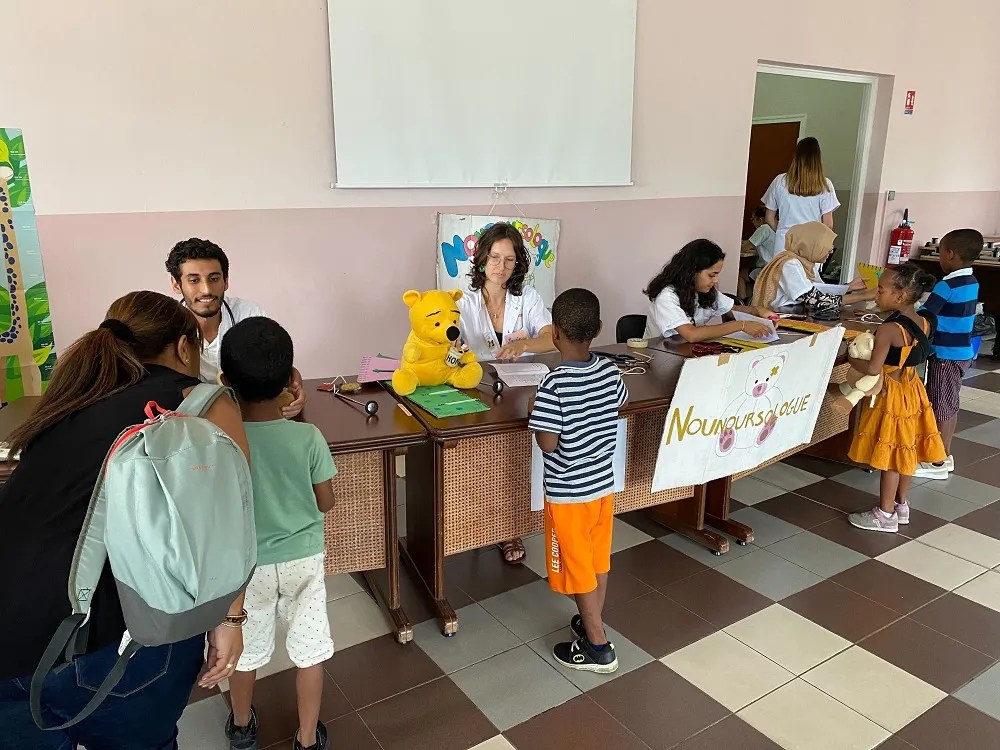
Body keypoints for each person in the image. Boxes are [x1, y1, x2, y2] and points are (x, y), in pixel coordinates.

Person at [0, 291, 250, 750]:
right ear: (183, 346)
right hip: (104, 640)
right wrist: (229, 620)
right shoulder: (202, 400)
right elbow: (228, 525)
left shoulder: (68, 402)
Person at [220, 317, 337, 750]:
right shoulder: (308, 437)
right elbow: (325, 502)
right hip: (304, 560)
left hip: (247, 569)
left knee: (244, 652)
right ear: (291, 379)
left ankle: (242, 727)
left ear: (225, 381)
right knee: (309, 654)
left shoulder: (223, 441)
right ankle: (307, 740)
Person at [529, 288, 628, 674]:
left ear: (554, 333)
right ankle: (592, 623)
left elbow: (549, 444)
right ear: (599, 329)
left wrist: (537, 414)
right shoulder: (608, 370)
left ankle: (598, 645)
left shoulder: (552, 385)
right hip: (603, 487)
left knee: (576, 567)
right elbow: (619, 401)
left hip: (569, 494)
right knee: (596, 560)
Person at [456, 221, 555, 564]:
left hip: (521, 390)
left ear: (518, 264)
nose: (500, 266)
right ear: (482, 259)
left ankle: (510, 528)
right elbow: (448, 345)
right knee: (479, 461)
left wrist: (526, 342)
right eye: (494, 257)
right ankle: (472, 524)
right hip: (476, 390)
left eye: (509, 260)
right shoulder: (463, 301)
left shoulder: (527, 297)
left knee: (516, 461)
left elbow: (550, 336)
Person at [846, 264, 946, 533]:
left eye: (880, 290)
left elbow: (872, 369)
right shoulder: (924, 321)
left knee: (891, 453)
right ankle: (901, 505)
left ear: (900, 296)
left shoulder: (889, 329)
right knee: (907, 447)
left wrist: (850, 358)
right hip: (913, 390)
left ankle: (885, 514)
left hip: (891, 393)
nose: (875, 294)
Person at [166, 237, 306, 418]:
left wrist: (295, 389)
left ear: (226, 281)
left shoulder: (250, 315)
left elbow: (274, 369)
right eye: (194, 280)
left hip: (249, 419)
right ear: (177, 284)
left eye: (214, 278)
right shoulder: (167, 326)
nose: (207, 289)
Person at [915, 228, 983, 479]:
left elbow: (925, 315)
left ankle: (936, 462)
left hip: (945, 354)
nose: (939, 257)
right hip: (961, 352)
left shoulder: (947, 284)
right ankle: (944, 453)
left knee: (940, 405)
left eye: (941, 252)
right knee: (950, 405)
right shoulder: (971, 281)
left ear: (951, 254)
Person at [643, 239, 775, 343]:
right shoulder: (667, 297)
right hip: (658, 359)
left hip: (685, 354)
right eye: (712, 275)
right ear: (692, 271)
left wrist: (757, 311)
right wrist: (742, 325)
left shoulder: (704, 292)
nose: (716, 280)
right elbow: (691, 334)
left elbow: (732, 310)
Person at [751, 222, 874, 314]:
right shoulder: (789, 264)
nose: (830, 251)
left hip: (795, 311)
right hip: (777, 315)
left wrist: (848, 287)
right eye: (826, 246)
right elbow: (816, 299)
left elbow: (818, 290)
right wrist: (864, 296)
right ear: (812, 245)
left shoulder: (807, 262)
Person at [762, 136, 839, 256]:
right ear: (817, 158)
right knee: (808, 274)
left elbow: (769, 218)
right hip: (812, 244)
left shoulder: (779, 181)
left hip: (784, 243)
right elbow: (828, 224)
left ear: (796, 157)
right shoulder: (825, 184)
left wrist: (783, 232)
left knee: (783, 273)